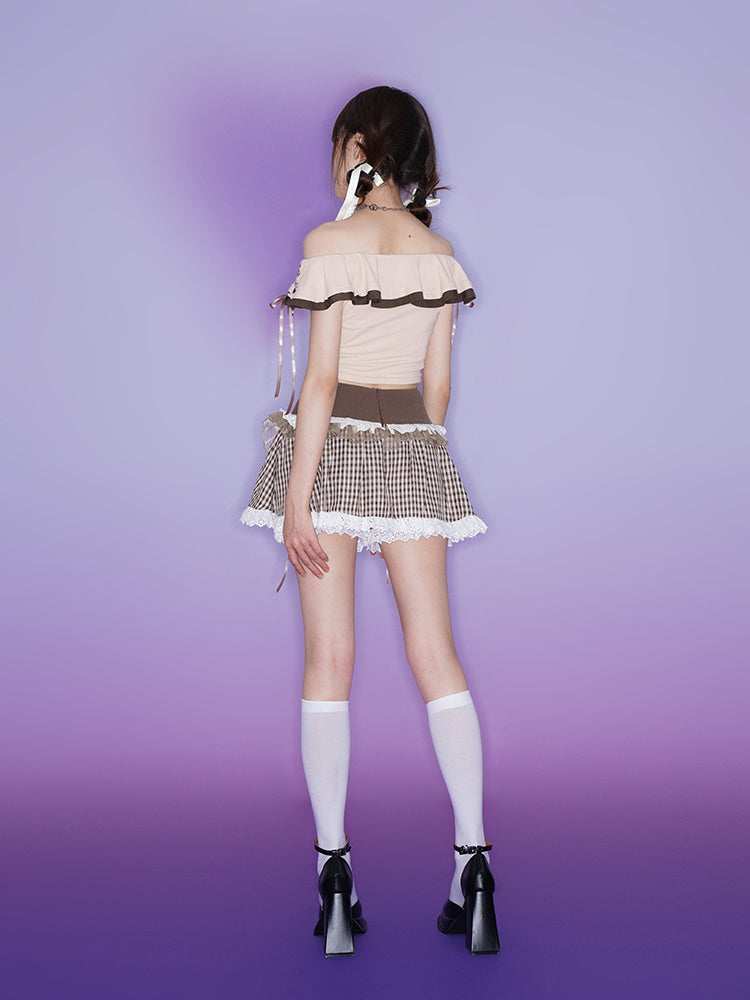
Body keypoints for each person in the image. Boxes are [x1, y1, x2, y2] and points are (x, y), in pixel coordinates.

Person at [241, 85, 499, 957]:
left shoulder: (329, 244)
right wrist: (403, 481)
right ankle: (474, 864)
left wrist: (298, 499)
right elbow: (438, 393)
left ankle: (335, 875)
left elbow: (318, 384)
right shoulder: (440, 253)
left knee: (330, 658)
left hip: (333, 454)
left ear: (356, 148)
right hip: (412, 454)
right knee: (438, 655)